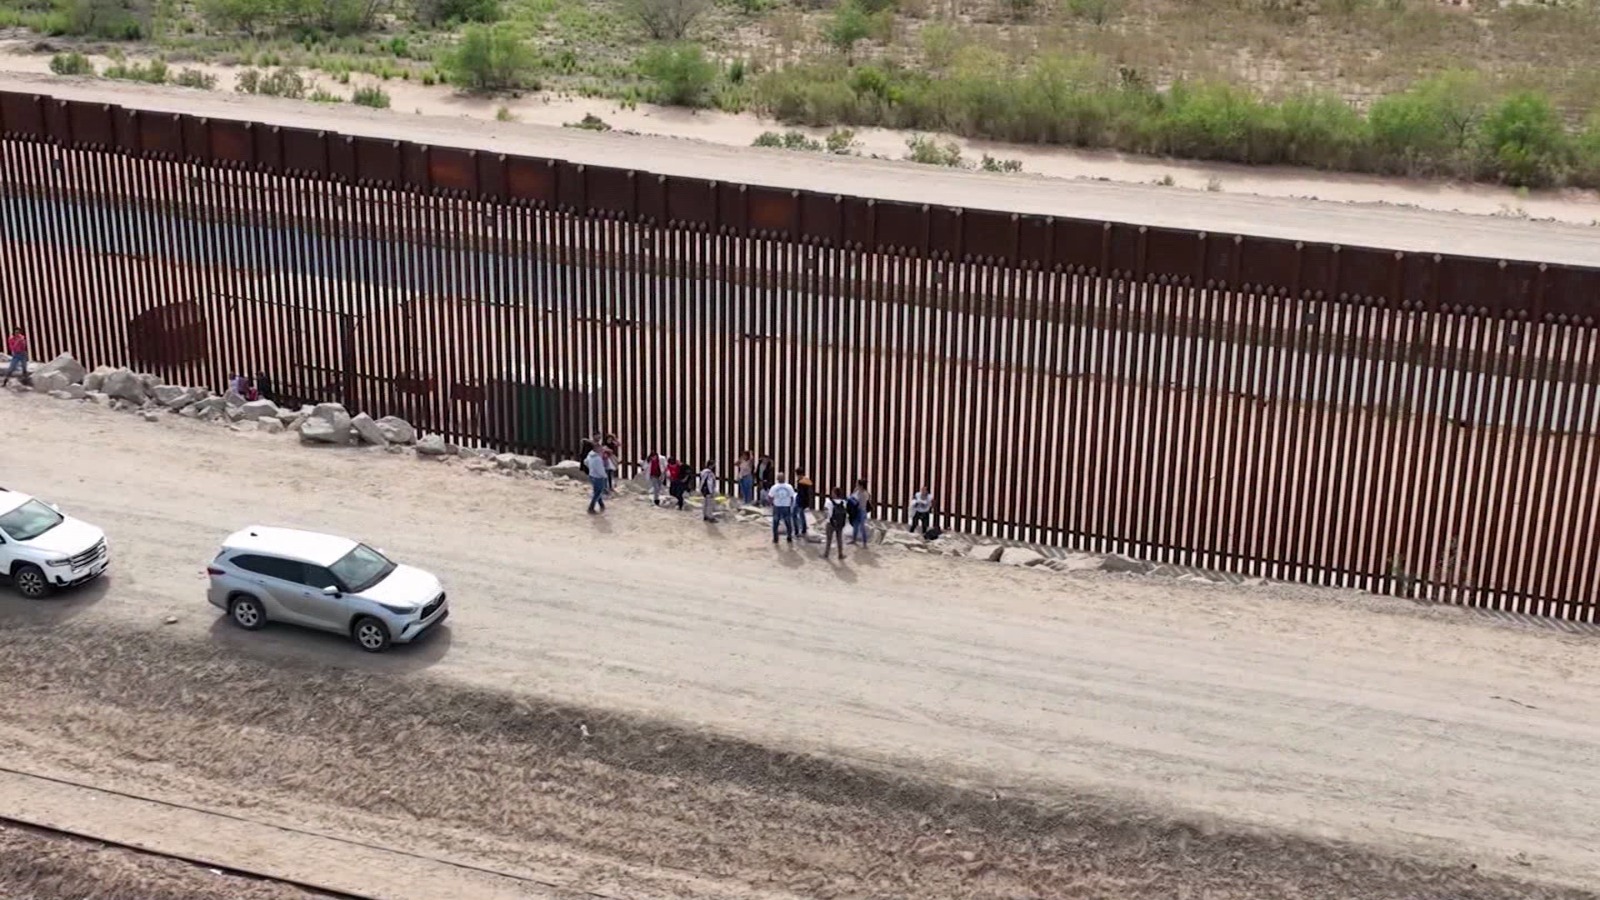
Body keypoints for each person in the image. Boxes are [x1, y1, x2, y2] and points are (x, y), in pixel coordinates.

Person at [768, 472, 797, 544]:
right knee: (788, 522)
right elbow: (792, 497)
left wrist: (771, 504)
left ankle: (775, 538)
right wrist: (790, 504)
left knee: (775, 522)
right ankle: (789, 537)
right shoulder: (789, 486)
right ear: (784, 478)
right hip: (786, 506)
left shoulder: (774, 487)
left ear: (777, 479)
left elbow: (770, 497)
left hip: (777, 506)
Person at [822, 487, 850, 561]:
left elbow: (825, 513)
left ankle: (826, 554)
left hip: (830, 522)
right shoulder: (843, 502)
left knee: (829, 539)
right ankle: (840, 554)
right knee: (839, 538)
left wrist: (825, 518)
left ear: (834, 494)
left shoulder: (828, 502)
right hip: (840, 523)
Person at [583, 445, 609, 514]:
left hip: (592, 475)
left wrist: (591, 468)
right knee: (598, 492)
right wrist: (604, 476)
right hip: (598, 477)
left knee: (597, 491)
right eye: (601, 449)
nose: (602, 450)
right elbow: (600, 470)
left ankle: (601, 505)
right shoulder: (598, 459)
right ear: (597, 450)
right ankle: (591, 508)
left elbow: (585, 462)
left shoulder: (590, 455)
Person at [850, 479, 873, 546]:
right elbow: (852, 496)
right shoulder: (858, 491)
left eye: (858, 484)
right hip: (859, 510)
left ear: (861, 486)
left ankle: (864, 543)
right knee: (855, 526)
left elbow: (861, 504)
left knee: (861, 527)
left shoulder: (864, 494)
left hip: (861, 511)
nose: (856, 485)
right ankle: (854, 540)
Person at [793, 468, 814, 537]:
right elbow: (809, 492)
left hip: (800, 501)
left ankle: (797, 530)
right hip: (804, 501)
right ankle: (803, 529)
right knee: (801, 515)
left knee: (795, 515)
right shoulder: (807, 480)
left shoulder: (800, 482)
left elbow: (801, 493)